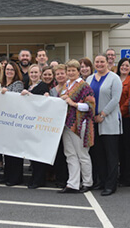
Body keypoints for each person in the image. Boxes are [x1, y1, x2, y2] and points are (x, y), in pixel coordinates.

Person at [87, 54, 122, 196]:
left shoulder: (114, 78)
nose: (100, 64)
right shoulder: (89, 79)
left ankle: (111, 184)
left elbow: (115, 99)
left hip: (109, 122)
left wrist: (102, 114)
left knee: (111, 155)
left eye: (102, 62)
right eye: (97, 62)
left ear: (107, 63)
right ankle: (101, 181)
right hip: (93, 122)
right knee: (98, 154)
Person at [59, 59, 95, 194]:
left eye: (73, 70)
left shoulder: (84, 86)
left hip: (80, 124)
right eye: (69, 70)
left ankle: (87, 182)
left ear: (78, 71)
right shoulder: (65, 86)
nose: (71, 72)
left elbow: (90, 106)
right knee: (70, 154)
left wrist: (73, 104)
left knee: (82, 154)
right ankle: (72, 183)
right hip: (67, 124)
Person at [20, 64, 50, 189]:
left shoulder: (43, 86)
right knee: (32, 152)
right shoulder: (28, 86)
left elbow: (40, 102)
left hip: (40, 124)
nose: (33, 75)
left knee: (39, 153)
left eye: (36, 72)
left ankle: (39, 179)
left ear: (40, 74)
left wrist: (29, 95)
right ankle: (34, 178)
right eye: (31, 72)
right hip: (30, 124)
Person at [0, 62, 25, 186]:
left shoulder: (18, 84)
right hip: (5, 122)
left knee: (15, 152)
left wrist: (5, 93)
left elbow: (15, 99)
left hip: (15, 121)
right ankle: (7, 175)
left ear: (16, 72)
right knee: (7, 151)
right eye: (7, 69)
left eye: (11, 70)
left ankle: (16, 178)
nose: (9, 71)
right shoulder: (2, 84)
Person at [116, 58, 130, 187]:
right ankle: (120, 175)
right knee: (119, 149)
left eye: (127, 65)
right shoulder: (114, 78)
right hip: (113, 119)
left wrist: (119, 111)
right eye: (122, 65)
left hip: (126, 118)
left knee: (128, 149)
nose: (124, 67)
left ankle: (128, 178)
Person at [49, 64, 69, 187]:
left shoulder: (70, 88)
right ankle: (59, 178)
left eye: (62, 73)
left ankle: (67, 178)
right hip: (55, 126)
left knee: (68, 152)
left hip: (68, 124)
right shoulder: (52, 90)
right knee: (58, 153)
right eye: (58, 74)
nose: (60, 76)